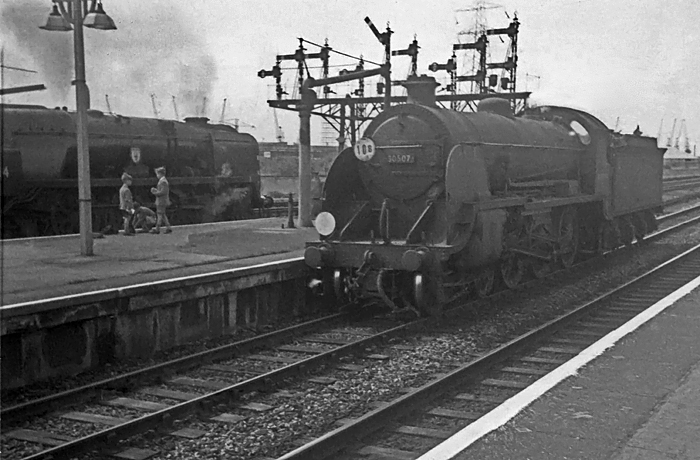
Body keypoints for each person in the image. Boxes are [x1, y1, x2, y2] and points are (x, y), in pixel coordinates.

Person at [150, 166, 172, 234]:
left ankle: (157, 228)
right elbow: (162, 191)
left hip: (161, 201)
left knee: (159, 214)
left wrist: (155, 193)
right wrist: (156, 190)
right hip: (161, 200)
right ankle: (168, 227)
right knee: (163, 214)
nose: (157, 175)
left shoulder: (163, 182)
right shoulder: (163, 181)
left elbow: (163, 192)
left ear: (160, 174)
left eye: (157, 174)